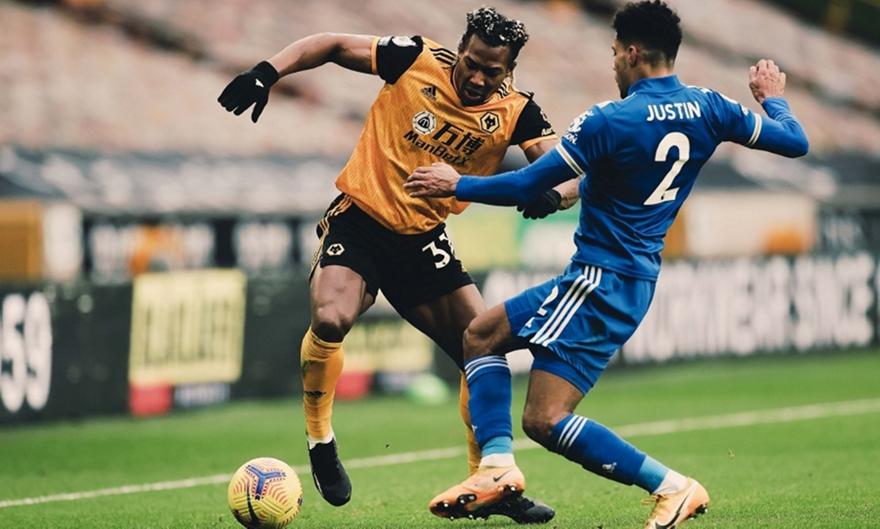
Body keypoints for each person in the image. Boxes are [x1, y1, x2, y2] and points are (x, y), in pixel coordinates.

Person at [404, 1, 809, 527]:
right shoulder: (711, 107)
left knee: (507, 368)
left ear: (633, 53)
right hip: (633, 279)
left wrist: (456, 183)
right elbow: (794, 141)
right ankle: (527, 471)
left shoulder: (609, 119)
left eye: (615, 53)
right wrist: (773, 99)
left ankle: (523, 470)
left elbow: (526, 183)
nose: (613, 63)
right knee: (515, 381)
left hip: (599, 277)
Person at [218, 7, 580, 523]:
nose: (478, 79)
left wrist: (556, 196)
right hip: (360, 222)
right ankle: (320, 439)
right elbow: (330, 43)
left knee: (481, 347)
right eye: (472, 63)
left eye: (492, 71)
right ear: (460, 49)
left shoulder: (518, 111)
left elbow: (569, 171)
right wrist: (266, 72)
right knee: (331, 318)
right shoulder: (413, 58)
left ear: (510, 71)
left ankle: (490, 482)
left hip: (422, 241)